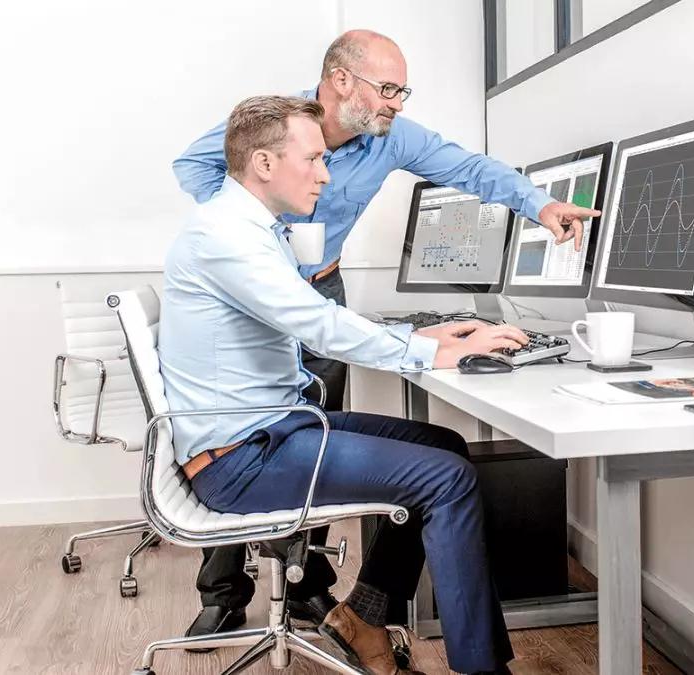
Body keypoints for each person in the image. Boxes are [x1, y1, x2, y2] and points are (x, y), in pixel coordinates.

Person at [172, 28, 599, 645]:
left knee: (423, 445)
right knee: (404, 466)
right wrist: (259, 226)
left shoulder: (389, 137)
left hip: (316, 291)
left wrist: (538, 205)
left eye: (403, 91)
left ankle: (332, 598)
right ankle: (225, 592)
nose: (398, 102)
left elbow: (467, 167)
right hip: (249, 401)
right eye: (389, 88)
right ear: (341, 81)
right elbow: (196, 169)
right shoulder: (262, 162)